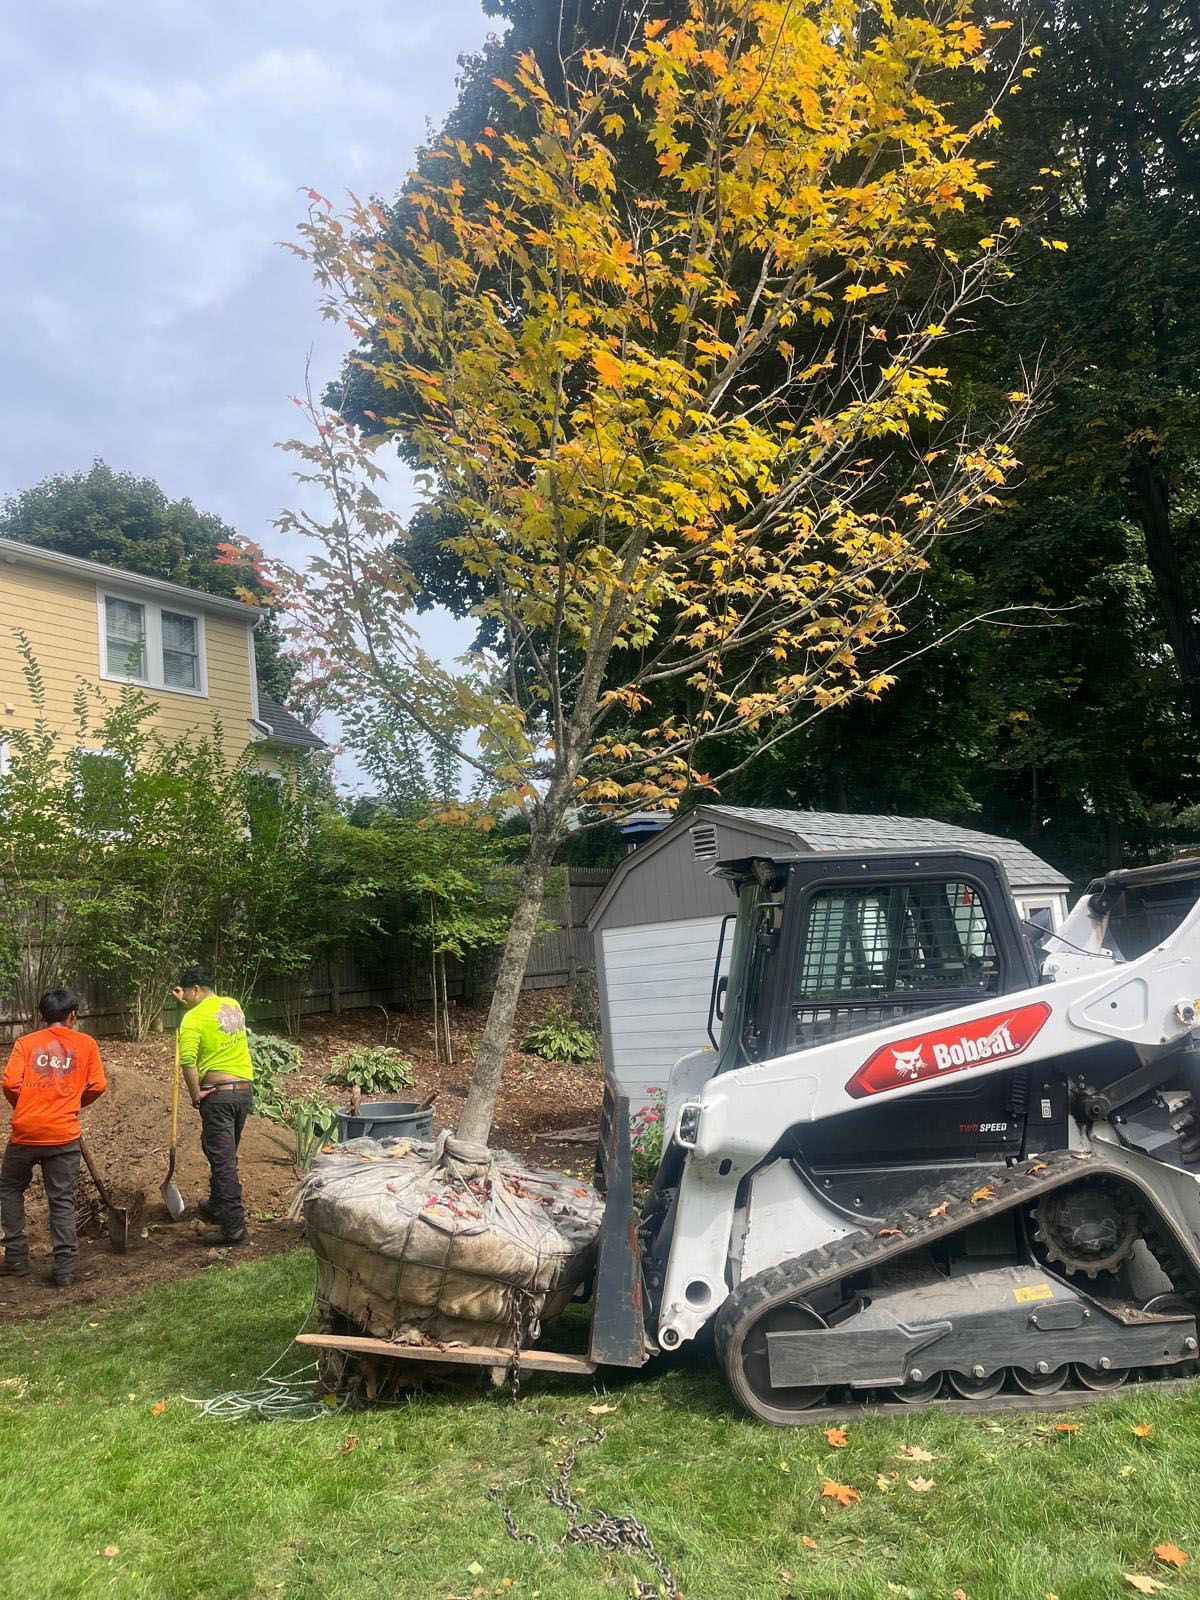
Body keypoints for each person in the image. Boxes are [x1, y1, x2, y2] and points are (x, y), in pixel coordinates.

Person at [0, 989, 107, 1287]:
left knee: (9, 1188)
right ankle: (64, 1269)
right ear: (72, 1015)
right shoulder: (86, 1044)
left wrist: (25, 1104)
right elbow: (98, 1085)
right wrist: (73, 1102)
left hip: (25, 1132)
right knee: (61, 1199)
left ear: (42, 1016)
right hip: (63, 1134)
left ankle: (17, 1258)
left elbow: (10, 1082)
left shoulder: (26, 1043)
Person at [171, 964, 253, 1246]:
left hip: (217, 1095)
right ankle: (218, 1203)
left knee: (223, 1162)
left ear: (195, 989)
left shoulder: (192, 1018)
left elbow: (188, 1061)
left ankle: (233, 1228)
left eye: (189, 994)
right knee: (219, 1151)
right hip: (243, 1092)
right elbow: (208, 1019)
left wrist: (195, 1094)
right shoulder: (233, 1005)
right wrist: (187, 1006)